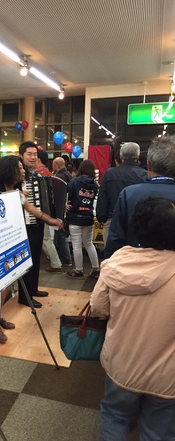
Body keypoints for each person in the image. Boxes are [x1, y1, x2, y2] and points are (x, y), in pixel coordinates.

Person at [90, 197, 175, 440]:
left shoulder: (117, 261)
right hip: (168, 374)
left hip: (122, 364)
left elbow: (98, 307)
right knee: (158, 430)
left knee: (115, 415)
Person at [0, 154, 63, 340]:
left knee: (8, 282)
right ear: (10, 170)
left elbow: (30, 208)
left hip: (11, 240)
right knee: (1, 284)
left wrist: (51, 220)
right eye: (19, 168)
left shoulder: (17, 187)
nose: (23, 171)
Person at [105, 135, 175, 258]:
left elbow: (116, 239)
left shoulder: (129, 194)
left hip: (134, 268)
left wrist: (109, 267)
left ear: (148, 165)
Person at [96, 142, 147, 246]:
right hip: (138, 222)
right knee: (135, 257)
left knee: (113, 257)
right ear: (137, 156)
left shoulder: (110, 173)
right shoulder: (145, 175)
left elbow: (103, 198)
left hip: (113, 219)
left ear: (121, 156)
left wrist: (101, 217)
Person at [18, 142, 49, 308]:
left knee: (36, 257)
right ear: (22, 155)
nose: (33, 157)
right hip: (25, 224)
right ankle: (25, 296)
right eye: (29, 154)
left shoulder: (33, 174)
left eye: (35, 154)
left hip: (36, 222)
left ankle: (33, 289)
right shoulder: (18, 173)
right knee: (27, 260)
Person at [65, 159, 100, 279]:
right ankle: (96, 268)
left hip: (75, 216)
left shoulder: (74, 182)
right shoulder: (94, 185)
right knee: (89, 243)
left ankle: (78, 270)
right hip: (88, 217)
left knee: (76, 245)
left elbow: (68, 197)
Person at [35, 149, 62, 272]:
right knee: (47, 238)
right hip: (48, 212)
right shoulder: (50, 174)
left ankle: (56, 263)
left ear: (38, 159)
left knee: (45, 239)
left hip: (39, 212)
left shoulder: (36, 174)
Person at [52, 157, 73, 267]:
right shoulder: (69, 175)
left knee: (60, 233)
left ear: (57, 165)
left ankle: (66, 258)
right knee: (61, 233)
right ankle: (61, 257)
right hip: (67, 209)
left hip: (61, 210)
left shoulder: (59, 177)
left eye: (53, 164)